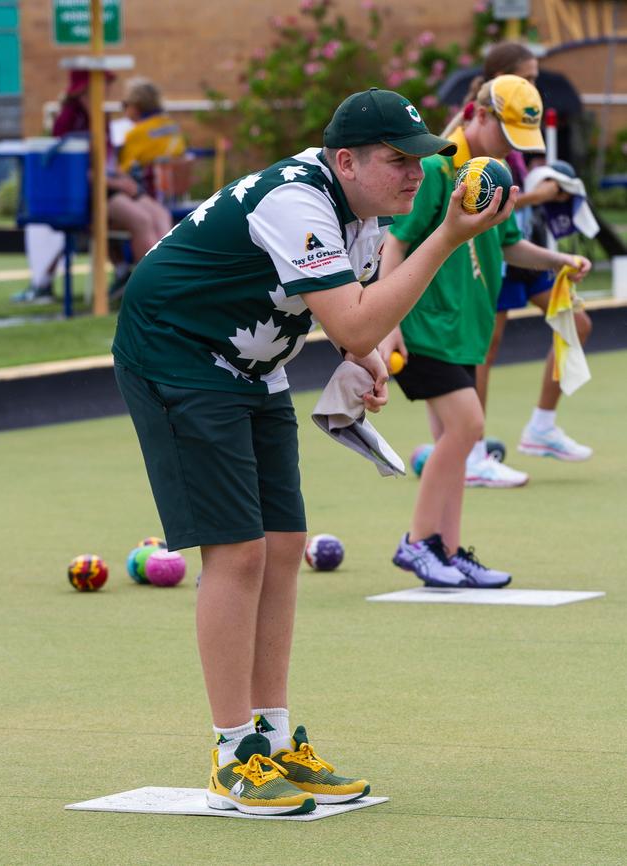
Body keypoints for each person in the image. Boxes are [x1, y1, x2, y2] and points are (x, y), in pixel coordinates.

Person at [112, 87, 516, 816]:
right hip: (174, 352)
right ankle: (233, 755)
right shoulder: (297, 200)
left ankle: (269, 739)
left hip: (248, 361)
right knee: (236, 551)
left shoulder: (360, 209)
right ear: (345, 161)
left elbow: (350, 317)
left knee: (284, 539)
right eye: (398, 161)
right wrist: (447, 238)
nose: (416, 176)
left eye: (420, 160)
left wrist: (357, 354)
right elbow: (358, 324)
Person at [378, 75, 591, 589]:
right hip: (425, 323)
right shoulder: (435, 169)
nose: (514, 150)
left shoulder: (493, 175)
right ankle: (418, 544)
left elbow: (512, 245)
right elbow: (394, 243)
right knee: (468, 428)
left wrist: (561, 259)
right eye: (507, 134)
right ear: (479, 115)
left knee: (457, 441)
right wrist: (386, 325)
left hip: (464, 329)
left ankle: (448, 552)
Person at [449, 43, 593, 474]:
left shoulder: (520, 119)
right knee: (484, 351)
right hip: (492, 249)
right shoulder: (476, 122)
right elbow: (476, 195)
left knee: (577, 322)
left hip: (517, 238)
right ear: (500, 78)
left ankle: (541, 427)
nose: (533, 85)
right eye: (526, 77)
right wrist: (540, 193)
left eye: (535, 77)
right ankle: (472, 451)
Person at [55, 69, 173, 299]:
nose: (107, 91)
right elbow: (73, 171)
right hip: (88, 193)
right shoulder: (69, 119)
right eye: (102, 85)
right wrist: (117, 183)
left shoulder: (101, 118)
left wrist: (122, 179)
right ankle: (151, 289)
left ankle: (170, 278)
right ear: (84, 89)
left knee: (161, 215)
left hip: (110, 185)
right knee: (142, 220)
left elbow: (108, 162)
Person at [117, 76, 187, 199]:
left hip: (148, 194)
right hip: (175, 194)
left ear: (136, 105)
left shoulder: (136, 133)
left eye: (125, 104)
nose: (124, 109)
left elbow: (123, 171)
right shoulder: (171, 124)